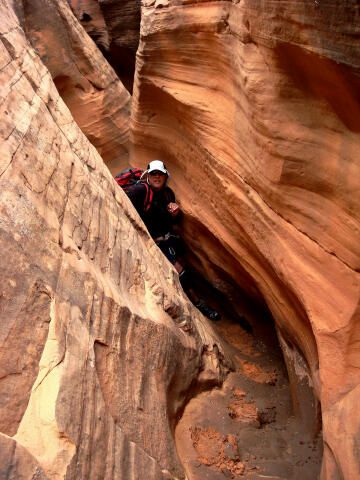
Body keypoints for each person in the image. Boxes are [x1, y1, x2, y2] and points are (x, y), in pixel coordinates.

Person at [127, 160, 220, 320]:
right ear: (148, 176)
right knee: (180, 272)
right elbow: (121, 202)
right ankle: (198, 304)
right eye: (153, 174)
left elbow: (171, 222)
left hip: (166, 240)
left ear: (165, 176)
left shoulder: (168, 194)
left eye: (160, 174)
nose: (157, 177)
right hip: (148, 242)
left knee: (182, 268)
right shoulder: (140, 191)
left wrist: (176, 214)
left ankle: (193, 301)